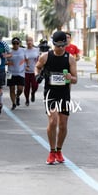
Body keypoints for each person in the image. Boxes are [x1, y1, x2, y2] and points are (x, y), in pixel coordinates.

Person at [35, 31, 78, 165]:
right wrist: (38, 75)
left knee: (63, 125)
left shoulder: (70, 58)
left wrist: (70, 78)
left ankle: (59, 150)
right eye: (58, 46)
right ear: (53, 44)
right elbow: (37, 67)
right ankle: (51, 151)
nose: (60, 48)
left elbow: (76, 79)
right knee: (53, 121)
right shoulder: (45, 56)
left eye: (63, 46)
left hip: (64, 93)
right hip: (50, 93)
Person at [6, 37, 26, 110]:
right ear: (12, 44)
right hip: (10, 73)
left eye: (17, 43)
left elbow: (28, 58)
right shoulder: (9, 52)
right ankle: (13, 103)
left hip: (21, 73)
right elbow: (4, 61)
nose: (16, 45)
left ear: (19, 43)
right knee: (11, 88)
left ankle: (17, 96)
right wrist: (7, 62)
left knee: (20, 89)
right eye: (14, 43)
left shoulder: (23, 50)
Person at [24, 36, 39, 106]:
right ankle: (27, 99)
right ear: (26, 42)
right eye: (28, 41)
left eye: (30, 40)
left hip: (34, 71)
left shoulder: (36, 50)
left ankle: (33, 93)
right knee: (26, 87)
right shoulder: (24, 51)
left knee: (35, 85)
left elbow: (39, 60)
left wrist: (39, 68)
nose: (29, 42)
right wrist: (24, 66)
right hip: (26, 72)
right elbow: (21, 61)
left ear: (33, 41)